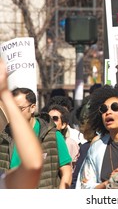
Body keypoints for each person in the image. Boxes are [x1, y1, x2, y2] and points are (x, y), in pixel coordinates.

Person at [0, 87, 72, 189]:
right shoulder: (4, 137)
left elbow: (67, 172)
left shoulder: (52, 136)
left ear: (33, 107)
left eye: (19, 109)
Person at [0, 59, 43, 189]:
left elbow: (33, 165)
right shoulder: (5, 135)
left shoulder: (50, 134)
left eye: (21, 109)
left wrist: (4, 92)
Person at [48, 104, 80, 172]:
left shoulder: (70, 144)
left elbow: (74, 170)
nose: (50, 122)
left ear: (63, 125)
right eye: (48, 118)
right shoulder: (38, 142)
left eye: (55, 118)